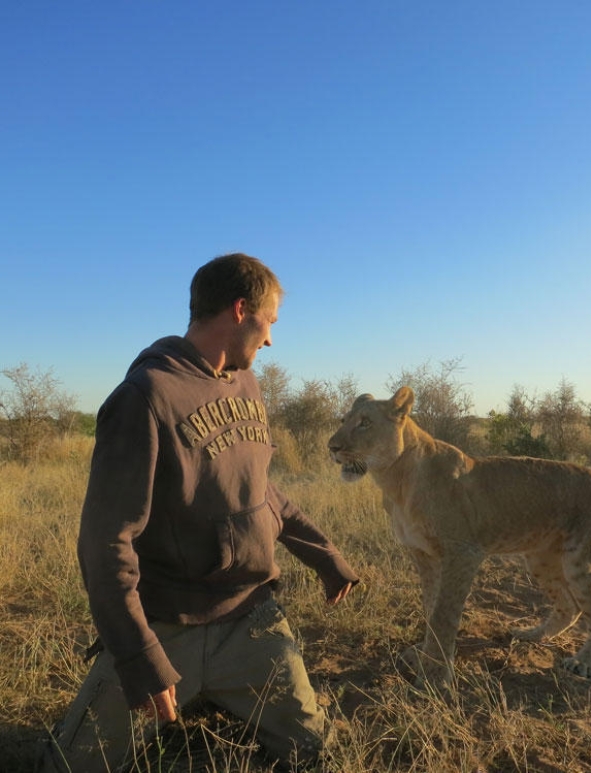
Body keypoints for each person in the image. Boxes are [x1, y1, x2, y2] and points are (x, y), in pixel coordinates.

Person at [40, 253, 359, 772]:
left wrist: (323, 553)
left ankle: (215, 696)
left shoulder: (247, 384)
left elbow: (258, 490)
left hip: (250, 619)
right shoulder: (145, 397)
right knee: (71, 765)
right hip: (168, 624)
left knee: (316, 754)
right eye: (270, 322)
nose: (272, 339)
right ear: (240, 310)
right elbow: (106, 542)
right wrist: (138, 657)